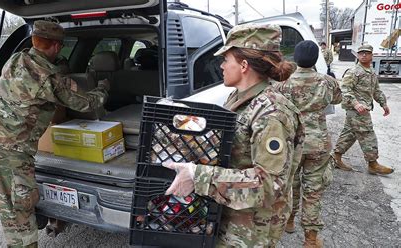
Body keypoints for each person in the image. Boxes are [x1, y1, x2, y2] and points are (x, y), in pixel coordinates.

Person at [0, 20, 110, 247]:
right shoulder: (48, 78)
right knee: (18, 220)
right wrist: (104, 88)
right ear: (57, 46)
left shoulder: (15, 59)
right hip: (7, 156)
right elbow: (86, 103)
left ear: (33, 41)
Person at [162, 24, 305, 247]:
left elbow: (269, 185)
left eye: (226, 59)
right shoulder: (239, 98)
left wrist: (199, 177)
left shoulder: (272, 113)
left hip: (250, 230)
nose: (221, 66)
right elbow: (228, 143)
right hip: (229, 216)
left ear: (244, 65)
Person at [275, 40, 342, 247]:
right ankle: (311, 239)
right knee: (313, 192)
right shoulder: (327, 81)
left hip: (293, 144)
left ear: (295, 58)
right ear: (316, 59)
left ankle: (290, 220)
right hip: (319, 144)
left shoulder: (283, 85)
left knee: (290, 187)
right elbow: (338, 100)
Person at [332, 44, 394, 175]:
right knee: (367, 134)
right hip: (356, 110)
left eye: (366, 53)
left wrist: (383, 103)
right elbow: (345, 89)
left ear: (372, 55)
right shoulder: (354, 71)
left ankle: (335, 157)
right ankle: (373, 163)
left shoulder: (371, 72)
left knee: (350, 133)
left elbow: (376, 90)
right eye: (361, 53)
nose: (364, 55)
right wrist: (356, 104)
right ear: (358, 55)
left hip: (362, 109)